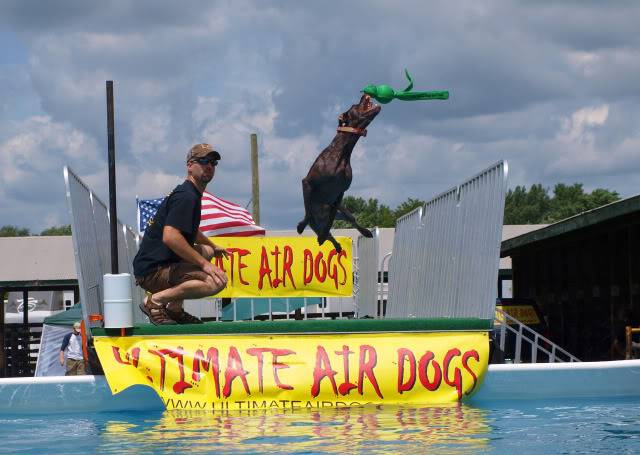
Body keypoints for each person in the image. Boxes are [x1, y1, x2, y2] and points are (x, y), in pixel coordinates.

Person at [133, 143, 229, 325]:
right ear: (190, 166)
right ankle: (154, 301)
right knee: (217, 282)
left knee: (207, 251)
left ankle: (174, 309)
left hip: (157, 266)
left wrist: (213, 246)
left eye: (213, 162)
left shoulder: (190, 193)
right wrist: (204, 265)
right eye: (203, 161)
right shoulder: (186, 196)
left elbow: (189, 229)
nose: (209, 166)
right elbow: (170, 236)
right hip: (154, 271)